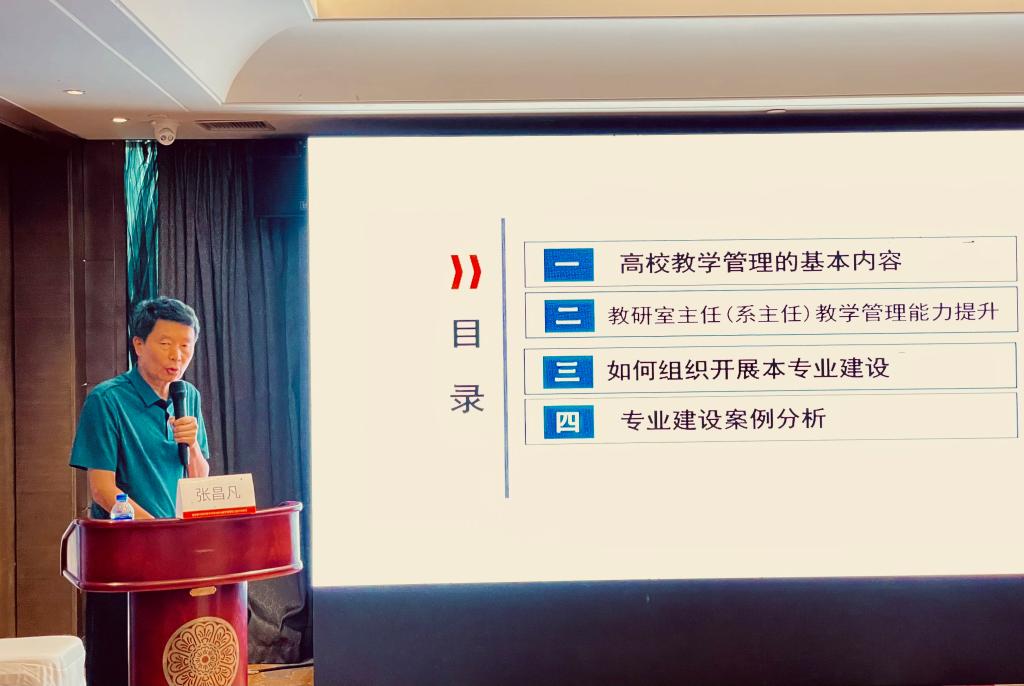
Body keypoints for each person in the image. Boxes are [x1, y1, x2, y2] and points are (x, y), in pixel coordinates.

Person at [69, 296, 210, 686]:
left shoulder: (188, 397)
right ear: (138, 344)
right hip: (125, 556)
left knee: (173, 657)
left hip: (177, 554)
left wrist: (193, 446)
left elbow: (199, 480)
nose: (177, 355)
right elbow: (103, 490)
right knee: (122, 661)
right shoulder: (107, 400)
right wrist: (159, 534)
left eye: (186, 345)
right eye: (165, 343)